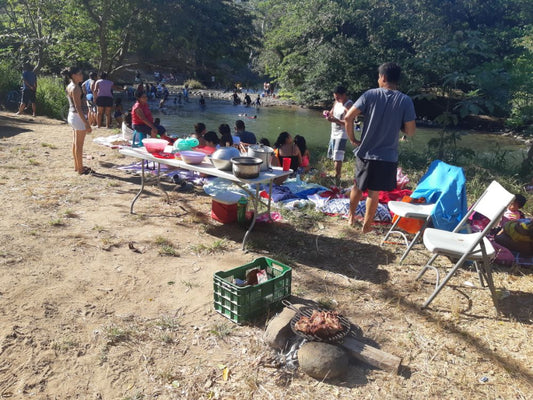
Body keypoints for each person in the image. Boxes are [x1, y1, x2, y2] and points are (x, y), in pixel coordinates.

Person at [344, 62, 416, 233]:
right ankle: (367, 225)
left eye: (378, 77)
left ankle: (351, 217)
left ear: (383, 77)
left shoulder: (370, 95)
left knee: (358, 186)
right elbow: (411, 131)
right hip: (388, 156)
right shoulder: (405, 101)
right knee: (374, 192)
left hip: (366, 152)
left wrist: (353, 138)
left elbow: (348, 117)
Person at [61, 66, 92, 175]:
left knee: (75, 143)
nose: (82, 75)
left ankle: (77, 166)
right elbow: (78, 107)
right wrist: (86, 123)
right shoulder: (76, 88)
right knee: (79, 145)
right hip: (77, 117)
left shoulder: (70, 86)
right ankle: (80, 169)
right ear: (74, 75)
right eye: (79, 73)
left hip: (73, 115)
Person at [324, 86, 353, 186]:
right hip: (334, 132)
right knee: (333, 154)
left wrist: (335, 120)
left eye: (338, 97)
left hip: (342, 133)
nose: (336, 99)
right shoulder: (336, 103)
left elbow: (348, 122)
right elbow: (331, 113)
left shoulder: (349, 105)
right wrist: (327, 113)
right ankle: (335, 174)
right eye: (335, 97)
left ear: (344, 95)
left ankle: (338, 176)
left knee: (338, 155)